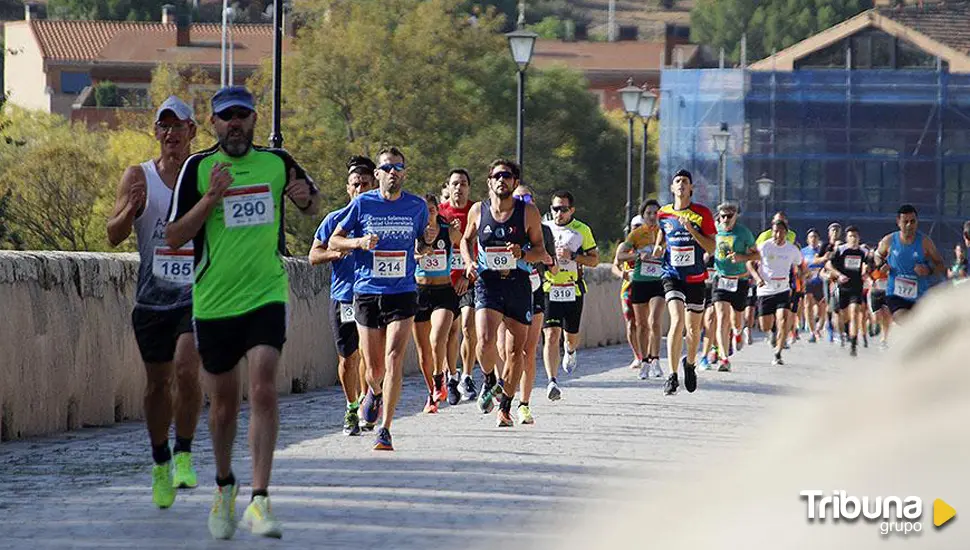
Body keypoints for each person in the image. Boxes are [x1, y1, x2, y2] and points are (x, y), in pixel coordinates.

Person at [166, 86, 319, 539]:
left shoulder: (276, 162)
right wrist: (211, 198)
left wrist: (305, 196)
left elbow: (311, 202)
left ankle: (260, 498)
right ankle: (224, 486)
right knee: (225, 406)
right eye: (226, 116)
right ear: (213, 123)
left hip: (266, 294)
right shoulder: (197, 168)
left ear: (255, 120)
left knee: (265, 387)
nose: (235, 123)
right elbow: (174, 235)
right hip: (214, 302)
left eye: (243, 116)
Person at [106, 96, 202, 509]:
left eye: (177, 126)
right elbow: (112, 234)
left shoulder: (204, 175)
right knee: (157, 385)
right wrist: (131, 209)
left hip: (197, 294)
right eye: (163, 127)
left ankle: (183, 452)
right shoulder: (138, 175)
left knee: (186, 366)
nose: (170, 134)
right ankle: (161, 461)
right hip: (151, 298)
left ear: (192, 131)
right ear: (156, 132)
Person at [329, 147, 429, 451]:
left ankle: (385, 429)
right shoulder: (362, 204)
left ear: (405, 172)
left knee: (395, 357)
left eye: (398, 167)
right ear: (378, 174)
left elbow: (423, 240)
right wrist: (359, 242)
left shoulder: (417, 206)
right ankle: (373, 391)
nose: (393, 173)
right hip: (367, 291)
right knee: (373, 370)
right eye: (387, 168)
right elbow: (334, 239)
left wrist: (425, 247)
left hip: (402, 290)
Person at [461, 160, 552, 427]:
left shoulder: (528, 213)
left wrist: (522, 253)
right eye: (497, 176)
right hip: (488, 281)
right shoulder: (479, 210)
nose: (502, 180)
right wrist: (468, 262)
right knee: (485, 340)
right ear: (489, 181)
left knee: (516, 353)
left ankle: (506, 406)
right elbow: (466, 239)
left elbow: (540, 252)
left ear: (514, 182)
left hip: (518, 283)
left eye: (507, 176)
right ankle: (489, 378)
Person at [308, 155, 377, 435]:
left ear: (374, 186)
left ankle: (367, 402)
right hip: (344, 296)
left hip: (373, 294)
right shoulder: (334, 220)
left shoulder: (379, 220)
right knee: (348, 359)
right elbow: (313, 255)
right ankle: (351, 406)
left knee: (369, 354)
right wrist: (338, 252)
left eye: (365, 184)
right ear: (348, 188)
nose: (360, 189)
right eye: (355, 184)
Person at [652, 169, 717, 395]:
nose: (681, 184)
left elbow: (711, 247)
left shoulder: (702, 214)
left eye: (685, 182)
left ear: (691, 189)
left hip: (696, 277)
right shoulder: (663, 213)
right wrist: (659, 247)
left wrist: (692, 231)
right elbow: (662, 236)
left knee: (693, 328)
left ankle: (689, 364)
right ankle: (671, 375)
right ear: (672, 188)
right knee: (677, 321)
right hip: (672, 274)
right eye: (677, 181)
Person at [541, 190, 599, 400]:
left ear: (571, 210)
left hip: (572, 288)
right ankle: (552, 381)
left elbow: (594, 260)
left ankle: (571, 351)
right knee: (550, 334)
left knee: (570, 336)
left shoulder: (581, 230)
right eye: (555, 209)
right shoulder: (544, 228)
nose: (559, 213)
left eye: (563, 209)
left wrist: (572, 256)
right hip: (550, 288)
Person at [509, 184, 557, 423]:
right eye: (518, 198)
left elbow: (554, 267)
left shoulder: (544, 230)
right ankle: (500, 385)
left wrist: (547, 260)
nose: (524, 202)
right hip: (506, 289)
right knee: (507, 350)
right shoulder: (505, 224)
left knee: (528, 350)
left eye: (527, 198)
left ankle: (523, 404)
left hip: (535, 289)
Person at [412, 194, 461, 414]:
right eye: (424, 210)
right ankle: (432, 392)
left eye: (432, 209)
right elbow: (409, 254)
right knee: (423, 353)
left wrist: (457, 229)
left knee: (437, 337)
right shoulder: (414, 230)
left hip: (443, 291)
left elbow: (463, 240)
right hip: (419, 292)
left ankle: (441, 377)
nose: (428, 213)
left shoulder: (446, 228)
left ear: (437, 210)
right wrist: (421, 253)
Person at [439, 168, 479, 403]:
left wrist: (468, 275)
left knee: (467, 327)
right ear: (448, 187)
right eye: (455, 183)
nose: (459, 188)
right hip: (444, 280)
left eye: (463, 183)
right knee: (449, 332)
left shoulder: (475, 211)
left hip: (470, 277)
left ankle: (467, 375)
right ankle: (450, 377)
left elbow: (480, 247)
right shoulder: (440, 213)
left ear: (469, 187)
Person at [873, 204, 945, 322]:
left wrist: (929, 270)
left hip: (919, 296)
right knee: (904, 319)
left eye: (913, 221)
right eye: (905, 221)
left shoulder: (925, 242)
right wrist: (881, 265)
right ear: (898, 222)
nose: (909, 225)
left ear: (917, 222)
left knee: (917, 326)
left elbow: (940, 265)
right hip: (895, 294)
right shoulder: (889, 240)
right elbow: (877, 255)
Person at [748, 219, 805, 366]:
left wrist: (802, 274)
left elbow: (800, 264)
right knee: (764, 326)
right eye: (774, 231)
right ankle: (772, 332)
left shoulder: (792, 249)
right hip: (765, 290)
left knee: (783, 319)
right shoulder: (764, 247)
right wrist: (757, 278)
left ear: (786, 233)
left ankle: (778, 353)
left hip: (783, 289)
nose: (777, 234)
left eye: (780, 231)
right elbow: (749, 263)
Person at [709, 202, 758, 373]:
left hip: (740, 280)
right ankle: (724, 358)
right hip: (720, 278)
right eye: (723, 216)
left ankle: (738, 332)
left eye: (730, 216)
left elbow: (757, 254)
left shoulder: (744, 233)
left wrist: (741, 257)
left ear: (736, 215)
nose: (726, 219)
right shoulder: (715, 230)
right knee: (722, 317)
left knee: (736, 319)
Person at [825, 226, 868, 357]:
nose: (853, 239)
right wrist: (838, 275)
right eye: (851, 236)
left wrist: (865, 272)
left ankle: (853, 344)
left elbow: (867, 264)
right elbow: (828, 265)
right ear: (846, 238)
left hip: (856, 287)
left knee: (855, 313)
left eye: (855, 236)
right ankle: (843, 332)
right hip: (842, 287)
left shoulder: (863, 252)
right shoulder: (841, 250)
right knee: (843, 316)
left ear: (859, 238)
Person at [614, 215, 645, 371]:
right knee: (630, 321)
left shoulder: (649, 245)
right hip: (629, 288)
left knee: (645, 323)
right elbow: (615, 266)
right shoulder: (624, 247)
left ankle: (647, 355)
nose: (638, 229)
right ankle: (637, 356)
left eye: (641, 226)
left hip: (647, 286)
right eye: (635, 226)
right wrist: (622, 274)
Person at [800, 228, 827, 343]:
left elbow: (827, 264)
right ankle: (812, 331)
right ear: (807, 239)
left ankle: (819, 327)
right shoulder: (803, 252)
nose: (813, 239)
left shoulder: (822, 251)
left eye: (815, 237)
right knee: (807, 303)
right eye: (811, 237)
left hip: (820, 281)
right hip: (808, 282)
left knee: (822, 309)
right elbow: (800, 265)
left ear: (818, 239)